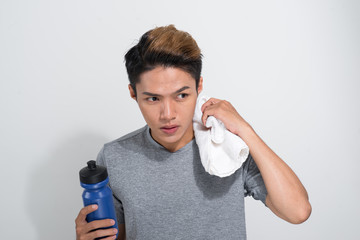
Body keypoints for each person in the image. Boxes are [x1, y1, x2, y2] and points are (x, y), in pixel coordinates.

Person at [75, 25, 311, 240]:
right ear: (133, 93)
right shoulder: (115, 157)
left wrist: (245, 129)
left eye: (181, 95)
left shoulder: (228, 147)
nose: (168, 114)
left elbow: (298, 211)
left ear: (199, 87)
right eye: (153, 98)